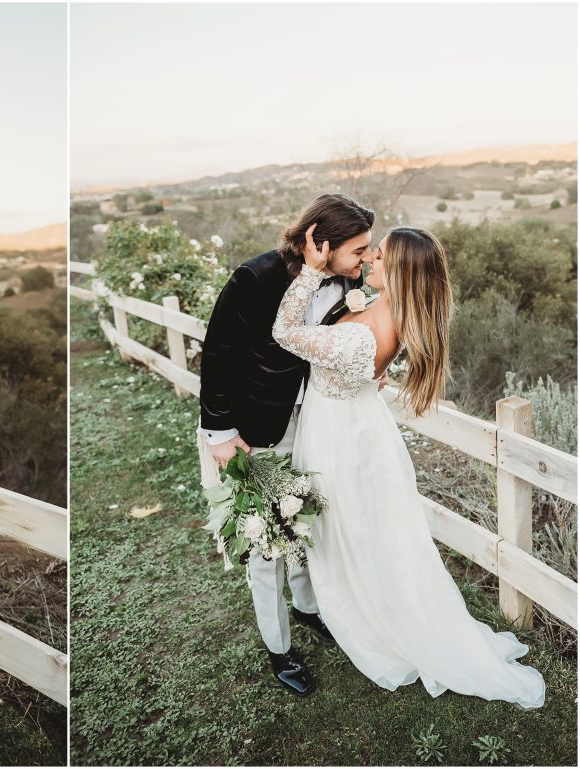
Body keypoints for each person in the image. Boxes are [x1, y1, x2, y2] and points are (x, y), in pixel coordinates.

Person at [272, 225, 545, 708]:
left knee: (354, 532)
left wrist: (312, 272)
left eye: (380, 254)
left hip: (340, 437)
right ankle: (371, 600)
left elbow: (284, 333)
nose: (371, 258)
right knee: (374, 531)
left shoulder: (362, 334)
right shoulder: (383, 313)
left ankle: (373, 615)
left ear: (399, 271)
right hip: (358, 426)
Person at [196, 193, 376, 695]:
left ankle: (308, 608)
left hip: (317, 421)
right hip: (253, 431)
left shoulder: (349, 281)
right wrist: (221, 432)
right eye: (358, 250)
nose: (365, 260)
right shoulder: (255, 278)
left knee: (308, 518)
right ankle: (279, 647)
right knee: (267, 540)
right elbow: (218, 355)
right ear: (321, 241)